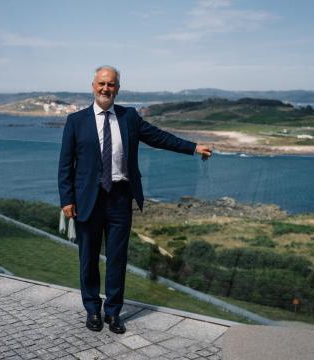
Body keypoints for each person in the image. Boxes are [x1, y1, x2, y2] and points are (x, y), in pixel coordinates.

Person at [58, 65, 212, 333]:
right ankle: (92, 310)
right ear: (93, 86)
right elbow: (64, 165)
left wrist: (193, 147)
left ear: (118, 88)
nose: (107, 89)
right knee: (88, 259)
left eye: (112, 84)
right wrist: (66, 199)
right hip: (87, 200)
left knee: (117, 258)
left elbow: (158, 137)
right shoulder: (76, 121)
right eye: (102, 84)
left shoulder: (129, 117)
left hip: (119, 198)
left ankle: (113, 313)